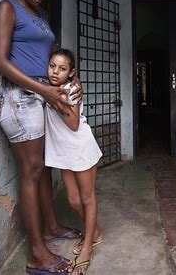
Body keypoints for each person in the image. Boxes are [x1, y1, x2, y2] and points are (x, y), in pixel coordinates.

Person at [0, 0, 83, 274]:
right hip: (18, 97)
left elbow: (52, 56)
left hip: (43, 95)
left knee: (45, 168)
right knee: (31, 170)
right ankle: (36, 253)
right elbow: (2, 62)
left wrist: (71, 79)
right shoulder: (8, 8)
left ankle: (51, 228)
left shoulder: (41, 17)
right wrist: (44, 90)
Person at [44, 49, 103, 275]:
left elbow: (74, 124)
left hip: (80, 149)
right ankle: (95, 233)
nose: (55, 72)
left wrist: (57, 98)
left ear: (71, 73)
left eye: (62, 68)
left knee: (87, 198)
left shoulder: (71, 90)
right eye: (52, 66)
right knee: (73, 200)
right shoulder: (48, 88)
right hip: (64, 153)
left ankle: (88, 246)